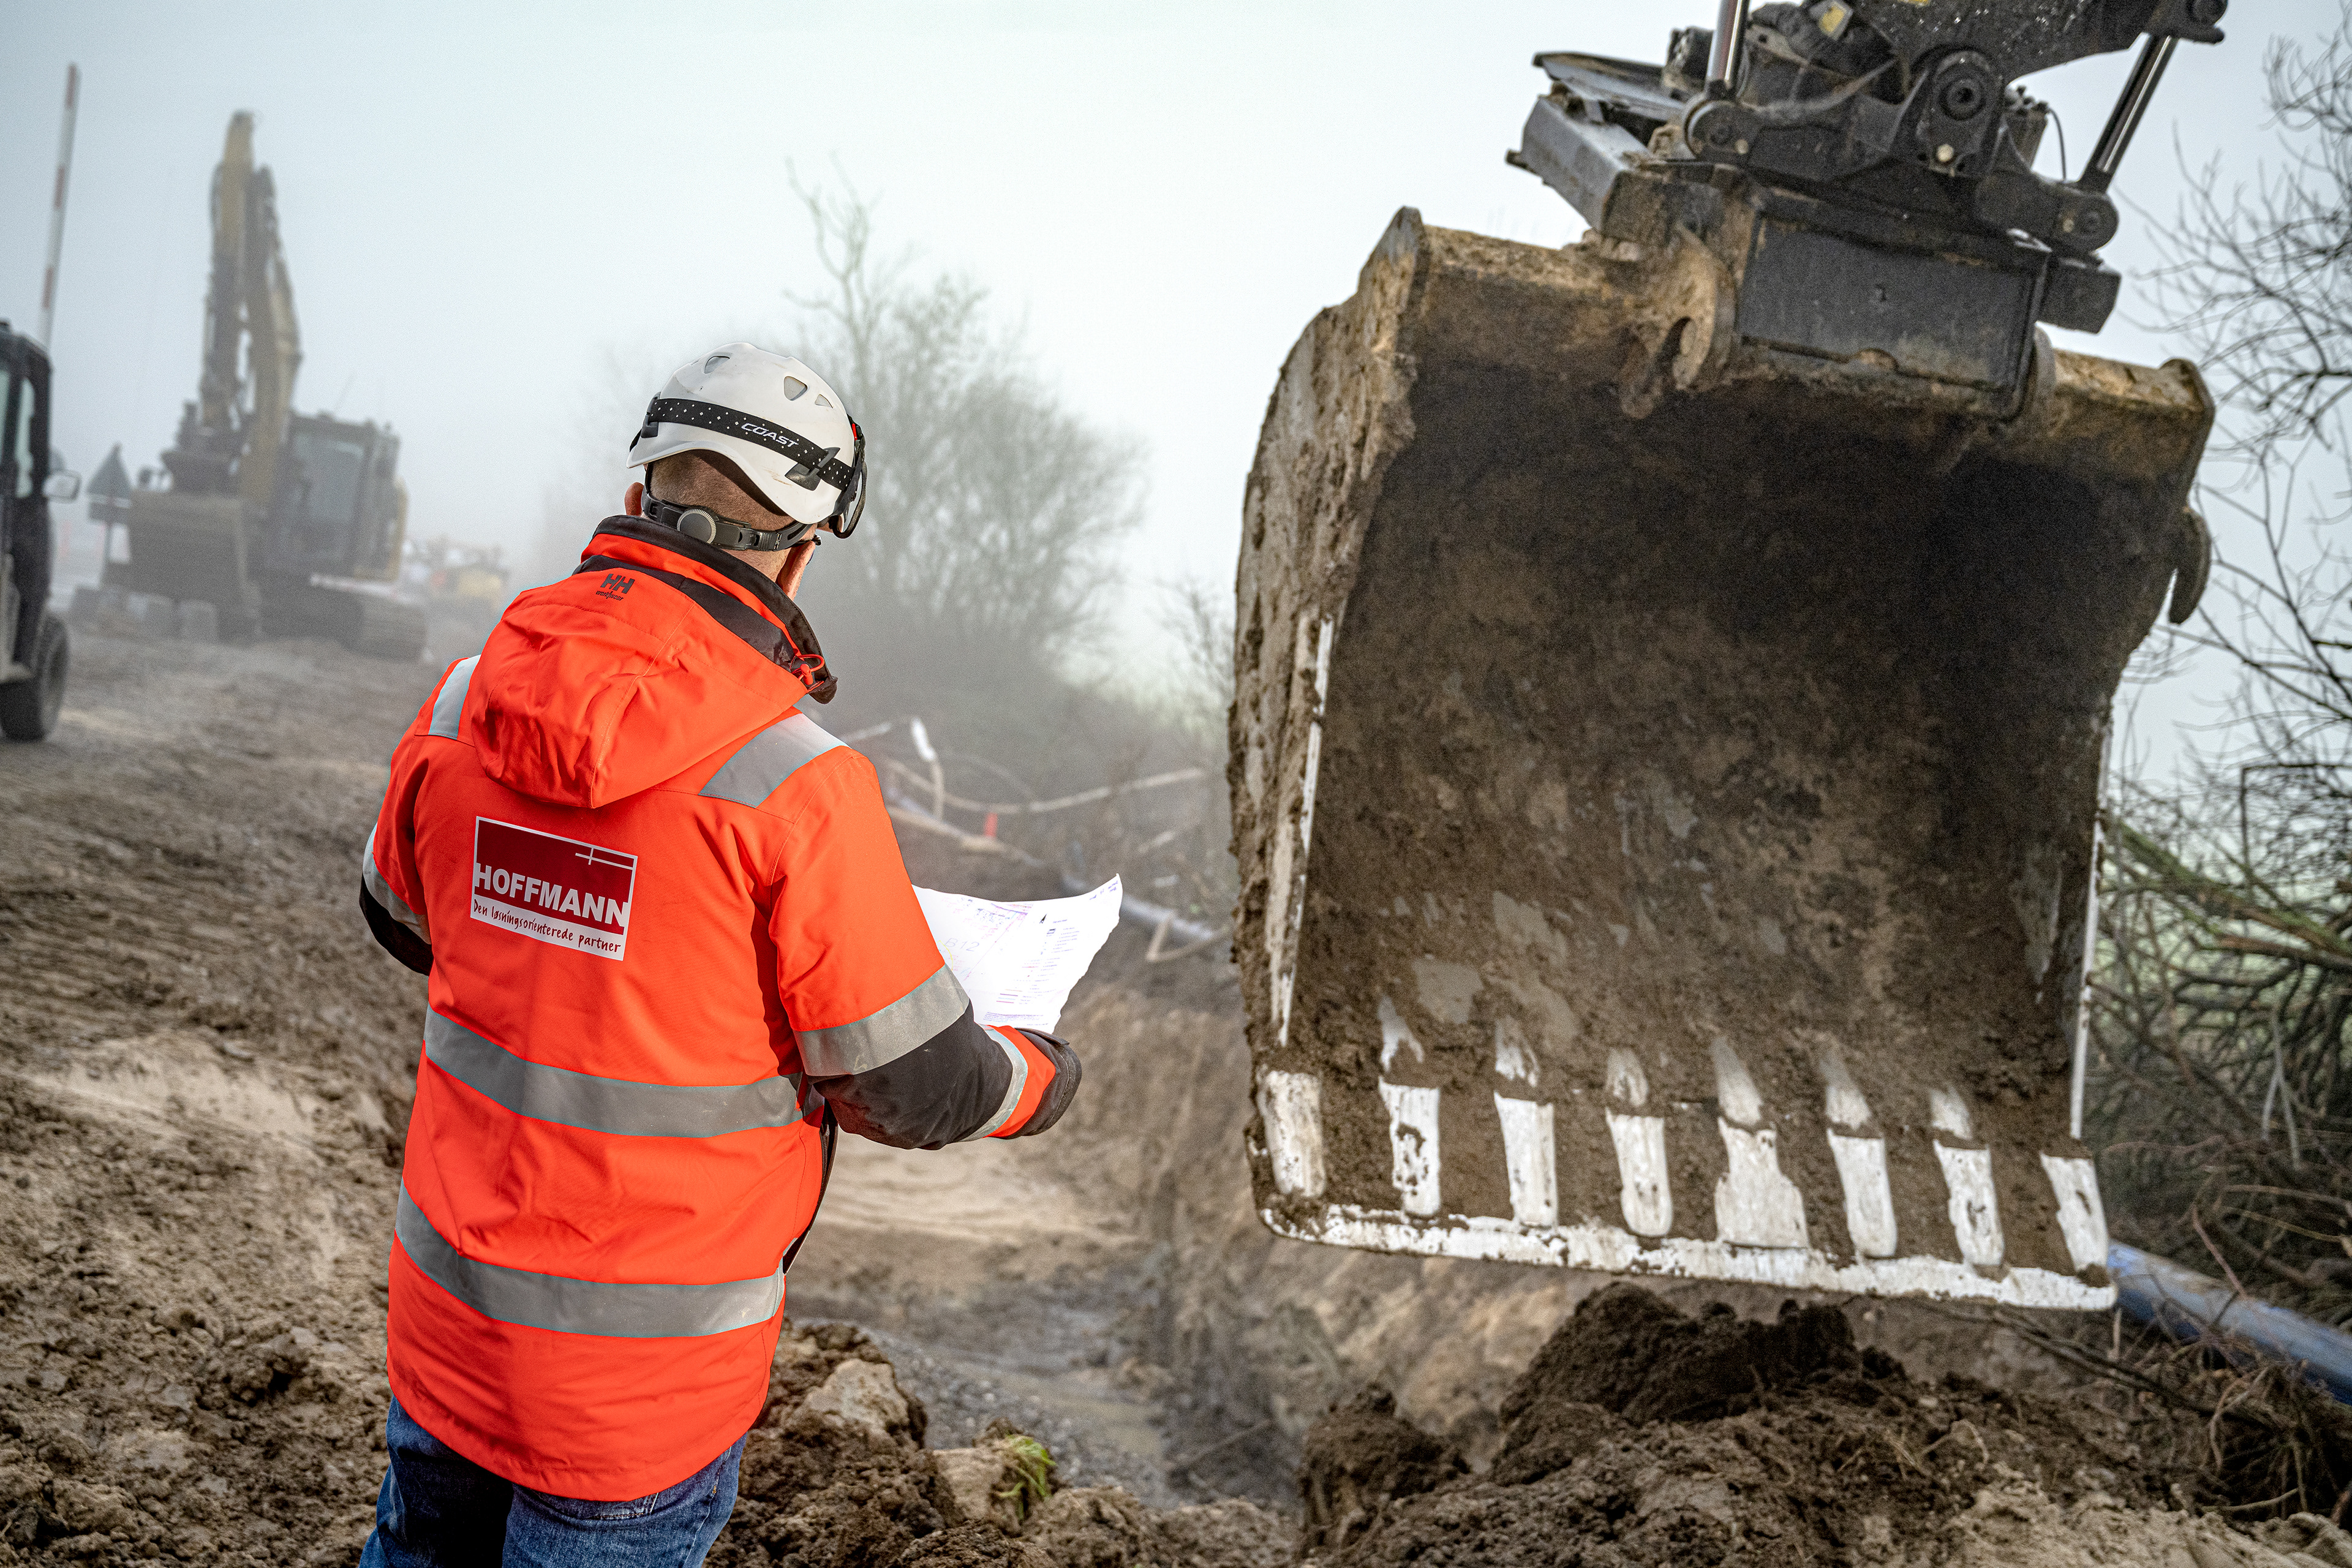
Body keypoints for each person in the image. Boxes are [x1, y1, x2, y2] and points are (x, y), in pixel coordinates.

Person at [353, 344, 1082, 1566]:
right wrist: (1042, 1078)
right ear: (800, 554)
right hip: (639, 1404)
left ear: (636, 500)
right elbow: (909, 1084)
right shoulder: (800, 787)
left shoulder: (462, 702)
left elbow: (400, 919)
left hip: (447, 1334)